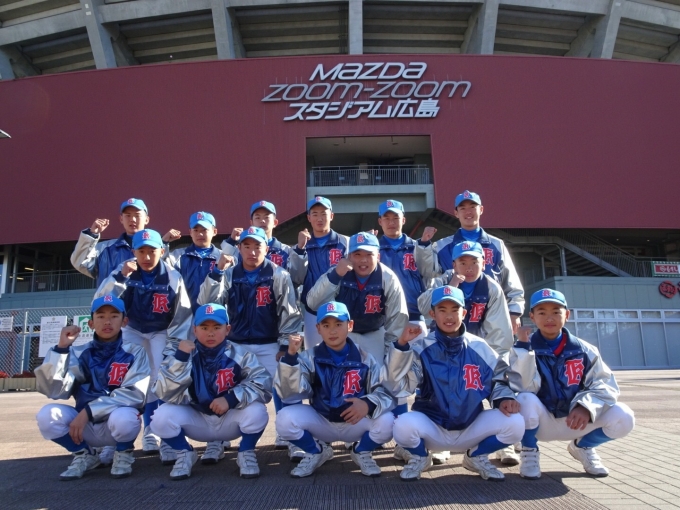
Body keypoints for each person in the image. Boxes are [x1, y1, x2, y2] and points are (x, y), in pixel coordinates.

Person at [383, 286, 524, 481]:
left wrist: (504, 398)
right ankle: (421, 457)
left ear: (464, 313)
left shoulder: (479, 347)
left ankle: (476, 456)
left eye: (454, 310)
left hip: (471, 427)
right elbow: (398, 385)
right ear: (432, 314)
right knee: (402, 425)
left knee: (516, 422)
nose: (449, 316)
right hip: (434, 428)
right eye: (442, 310)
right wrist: (401, 346)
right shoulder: (422, 347)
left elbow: (498, 379)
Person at [507, 289, 635, 480]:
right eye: (542, 312)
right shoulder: (522, 348)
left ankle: (583, 447)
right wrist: (524, 350)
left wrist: (586, 407)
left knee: (624, 416)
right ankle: (529, 451)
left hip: (576, 420)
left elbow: (605, 384)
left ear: (567, 315)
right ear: (532, 317)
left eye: (556, 311)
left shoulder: (585, 350)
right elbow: (521, 386)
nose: (549, 318)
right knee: (525, 399)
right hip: (542, 422)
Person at [198, 226, 302, 456]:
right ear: (239, 248)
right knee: (222, 387)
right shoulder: (228, 274)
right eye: (247, 246)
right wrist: (216, 272)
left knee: (287, 387)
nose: (252, 251)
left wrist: (285, 345)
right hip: (236, 344)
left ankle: (294, 437)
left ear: (267, 248)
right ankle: (217, 440)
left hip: (269, 343)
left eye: (257, 246)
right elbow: (207, 304)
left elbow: (289, 312)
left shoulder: (278, 274)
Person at [95, 228, 192, 464]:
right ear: (133, 252)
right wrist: (120, 279)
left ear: (162, 251)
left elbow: (182, 314)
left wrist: (173, 347)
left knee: (162, 378)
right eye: (141, 251)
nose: (147, 257)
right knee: (122, 377)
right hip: (132, 328)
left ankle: (160, 434)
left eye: (152, 251)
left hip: (161, 330)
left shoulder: (172, 276)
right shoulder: (124, 270)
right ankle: (115, 440)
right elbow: (101, 301)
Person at [416, 240, 518, 465]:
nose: (469, 267)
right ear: (454, 264)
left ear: (484, 262)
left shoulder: (491, 287)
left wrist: (493, 361)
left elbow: (499, 331)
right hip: (442, 346)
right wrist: (452, 285)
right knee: (442, 392)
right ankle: (442, 444)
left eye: (474, 261)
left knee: (494, 388)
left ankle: (504, 445)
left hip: (476, 348)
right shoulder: (443, 280)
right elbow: (423, 306)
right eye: (463, 262)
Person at [35, 295, 150, 480]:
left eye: (114, 316)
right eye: (101, 316)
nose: (107, 321)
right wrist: (62, 348)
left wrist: (89, 411)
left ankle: (123, 452)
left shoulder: (135, 351)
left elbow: (135, 394)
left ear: (124, 321)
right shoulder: (78, 353)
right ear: (90, 323)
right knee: (46, 415)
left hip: (113, 424)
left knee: (126, 417)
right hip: (83, 427)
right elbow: (54, 390)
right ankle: (84, 454)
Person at [275, 301, 395, 478]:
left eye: (338, 324)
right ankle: (316, 451)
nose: (332, 331)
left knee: (389, 421)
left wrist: (368, 404)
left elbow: (384, 391)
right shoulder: (309, 357)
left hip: (355, 422)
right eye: (326, 325)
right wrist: (291, 358)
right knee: (284, 419)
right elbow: (291, 393)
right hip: (322, 421)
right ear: (318, 328)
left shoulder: (365, 358)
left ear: (350, 325)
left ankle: (361, 451)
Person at [151, 304, 271, 480]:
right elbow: (163, 392)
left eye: (216, 327)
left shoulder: (240, 354)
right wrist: (180, 360)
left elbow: (263, 383)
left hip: (229, 420)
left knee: (257, 411)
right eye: (204, 327)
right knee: (160, 416)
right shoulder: (183, 354)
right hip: (197, 419)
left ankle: (246, 451)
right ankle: (185, 453)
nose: (210, 333)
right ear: (194, 330)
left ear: (227, 329)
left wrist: (231, 398)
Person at [306, 231, 408, 368]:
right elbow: (313, 303)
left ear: (378, 256)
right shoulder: (338, 272)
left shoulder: (388, 278)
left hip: (375, 333)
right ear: (349, 256)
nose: (363, 260)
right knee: (342, 373)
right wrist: (335, 275)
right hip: (344, 334)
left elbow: (397, 320)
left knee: (377, 373)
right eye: (357, 254)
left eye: (369, 254)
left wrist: (390, 353)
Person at [429, 190, 524, 329]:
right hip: (454, 316)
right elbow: (431, 283)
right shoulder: (441, 246)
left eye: (473, 207)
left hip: (491, 313)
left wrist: (514, 312)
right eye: (463, 208)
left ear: (481, 209)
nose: (468, 212)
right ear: (456, 213)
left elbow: (511, 282)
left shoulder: (496, 245)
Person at [71, 198, 180, 288]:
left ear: (146, 219)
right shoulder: (104, 249)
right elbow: (80, 263)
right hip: (111, 305)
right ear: (121, 219)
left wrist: (162, 243)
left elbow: (166, 274)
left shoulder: (157, 249)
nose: (132, 219)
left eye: (137, 215)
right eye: (128, 215)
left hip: (145, 306)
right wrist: (91, 235)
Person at [289, 196, 349, 350]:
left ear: (332, 215)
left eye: (324, 213)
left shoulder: (345, 242)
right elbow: (296, 279)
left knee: (344, 354)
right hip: (313, 311)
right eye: (315, 214)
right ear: (309, 218)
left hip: (341, 308)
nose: (319, 218)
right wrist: (300, 249)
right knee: (314, 354)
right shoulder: (301, 246)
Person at [377, 199, 437, 347]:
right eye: (387, 218)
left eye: (396, 218)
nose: (391, 222)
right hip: (381, 316)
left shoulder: (417, 246)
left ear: (403, 220)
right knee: (386, 359)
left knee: (418, 357)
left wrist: (424, 244)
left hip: (414, 314)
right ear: (380, 221)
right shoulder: (373, 250)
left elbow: (429, 272)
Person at [221, 201, 301, 278]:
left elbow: (295, 278)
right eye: (258, 217)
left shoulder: (285, 251)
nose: (262, 221)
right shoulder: (242, 250)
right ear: (251, 223)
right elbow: (225, 269)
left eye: (266, 217)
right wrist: (231, 241)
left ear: (275, 222)